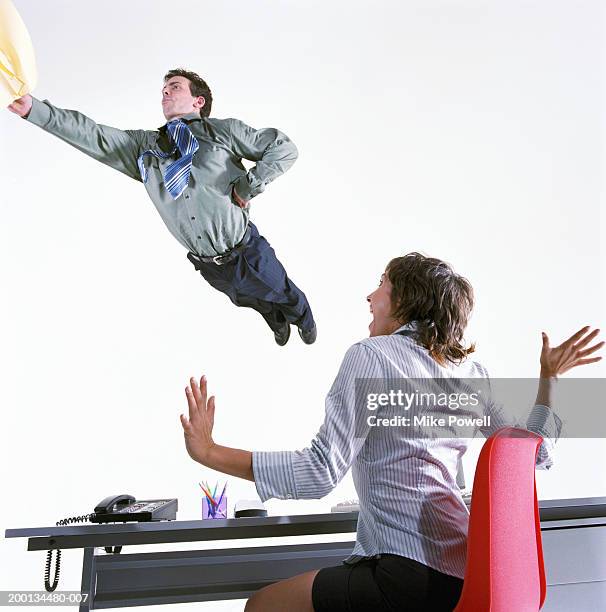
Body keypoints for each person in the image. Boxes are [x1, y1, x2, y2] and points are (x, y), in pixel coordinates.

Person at [179, 251, 603, 612]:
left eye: (380, 285)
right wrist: (549, 380)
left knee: (261, 606)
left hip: (404, 577)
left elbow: (319, 473)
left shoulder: (371, 357)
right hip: (464, 576)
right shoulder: (470, 375)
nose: (369, 296)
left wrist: (209, 451)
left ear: (405, 300)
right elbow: (536, 452)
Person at [7, 68, 316, 346]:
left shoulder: (223, 132)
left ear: (198, 101)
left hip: (245, 250)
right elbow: (92, 134)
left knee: (279, 291)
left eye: (175, 87)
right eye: (164, 89)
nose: (165, 92)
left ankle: (301, 314)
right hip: (207, 262)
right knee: (244, 297)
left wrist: (249, 186)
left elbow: (283, 149)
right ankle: (274, 318)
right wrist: (34, 110)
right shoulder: (146, 149)